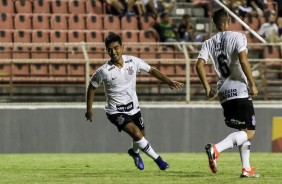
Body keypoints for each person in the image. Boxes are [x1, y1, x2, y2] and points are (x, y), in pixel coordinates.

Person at [85, 32, 184, 171]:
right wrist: (89, 110)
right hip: (115, 112)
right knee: (137, 134)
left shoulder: (133, 61)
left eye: (116, 48)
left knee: (141, 135)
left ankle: (135, 152)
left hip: (134, 108)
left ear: (122, 47)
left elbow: (151, 70)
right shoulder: (104, 71)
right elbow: (91, 88)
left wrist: (169, 81)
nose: (114, 52)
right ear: (107, 51)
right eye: (110, 49)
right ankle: (159, 160)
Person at [196, 8, 260, 178]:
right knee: (250, 132)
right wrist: (252, 83)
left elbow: (199, 65)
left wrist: (207, 88)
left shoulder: (208, 42)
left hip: (223, 92)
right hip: (239, 88)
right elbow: (243, 60)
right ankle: (216, 149)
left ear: (215, 25)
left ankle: (246, 169)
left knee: (242, 129)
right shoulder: (238, 36)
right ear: (229, 20)